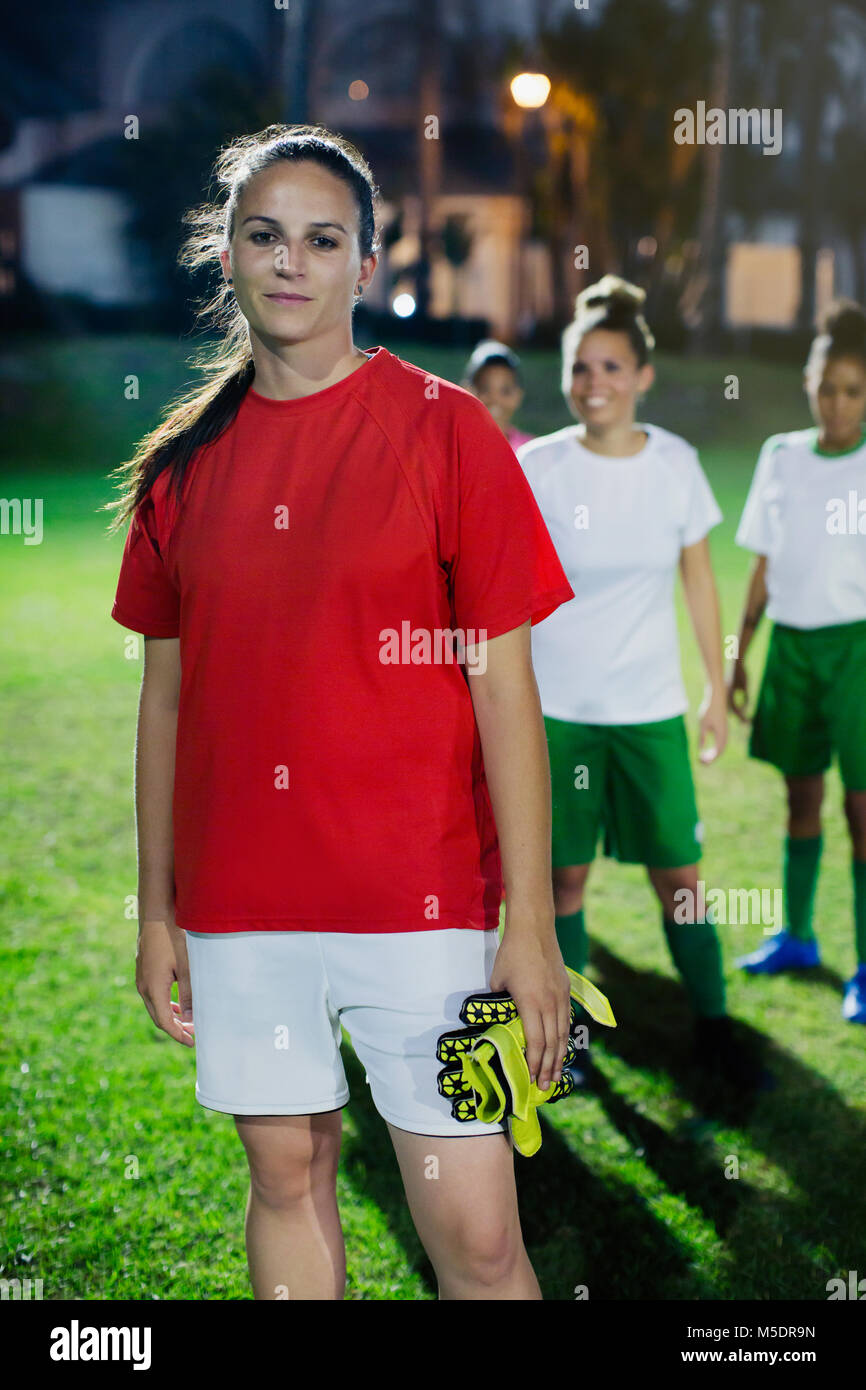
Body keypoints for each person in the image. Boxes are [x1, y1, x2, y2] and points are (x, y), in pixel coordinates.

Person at [103, 123, 578, 1301]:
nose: (291, 262)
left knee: (473, 1238)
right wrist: (160, 906)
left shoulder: (447, 431)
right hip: (241, 908)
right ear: (225, 251)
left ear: (367, 264)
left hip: (420, 907)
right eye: (263, 235)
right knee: (285, 1175)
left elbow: (505, 684)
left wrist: (529, 924)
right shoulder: (177, 469)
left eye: (323, 239)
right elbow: (166, 700)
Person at [516, 274, 767, 1088]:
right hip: (557, 713)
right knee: (563, 877)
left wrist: (716, 690)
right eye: (580, 368)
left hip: (650, 708)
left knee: (681, 881)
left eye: (612, 368)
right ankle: (573, 1042)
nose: (595, 384)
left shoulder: (675, 465)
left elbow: (700, 582)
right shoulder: (540, 468)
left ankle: (716, 1028)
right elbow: (506, 590)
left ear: (642, 376)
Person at [728, 299, 866, 1025]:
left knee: (862, 807)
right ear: (808, 382)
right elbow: (761, 565)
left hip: (858, 651)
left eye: (853, 390)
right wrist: (736, 657)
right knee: (801, 800)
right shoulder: (780, 456)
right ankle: (798, 936)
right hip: (792, 647)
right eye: (826, 386)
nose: (837, 403)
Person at [462, 340, 534, 450]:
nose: (495, 399)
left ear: (518, 395)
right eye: (484, 389)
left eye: (505, 391)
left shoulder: (530, 450)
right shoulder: (454, 447)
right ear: (466, 390)